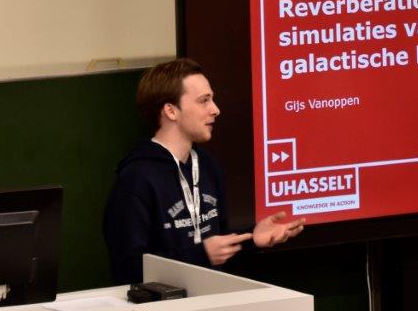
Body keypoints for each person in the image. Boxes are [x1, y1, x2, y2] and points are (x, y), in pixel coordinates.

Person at [103, 58, 304, 283]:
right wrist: (201, 255)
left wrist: (251, 238)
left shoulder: (207, 165)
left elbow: (217, 246)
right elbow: (128, 268)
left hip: (211, 296)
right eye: (204, 101)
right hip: (163, 304)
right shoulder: (136, 179)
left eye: (212, 100)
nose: (215, 110)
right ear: (171, 111)